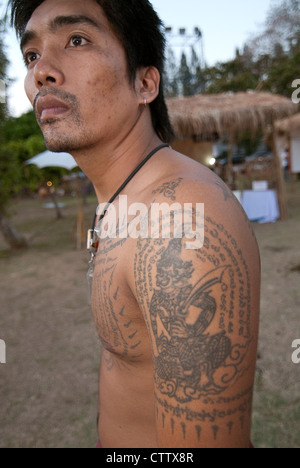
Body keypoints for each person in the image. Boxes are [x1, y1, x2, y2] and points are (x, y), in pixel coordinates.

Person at [10, 0, 260, 448]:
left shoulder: (180, 216)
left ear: (145, 83)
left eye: (77, 40)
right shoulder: (123, 197)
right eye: (31, 55)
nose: (40, 72)